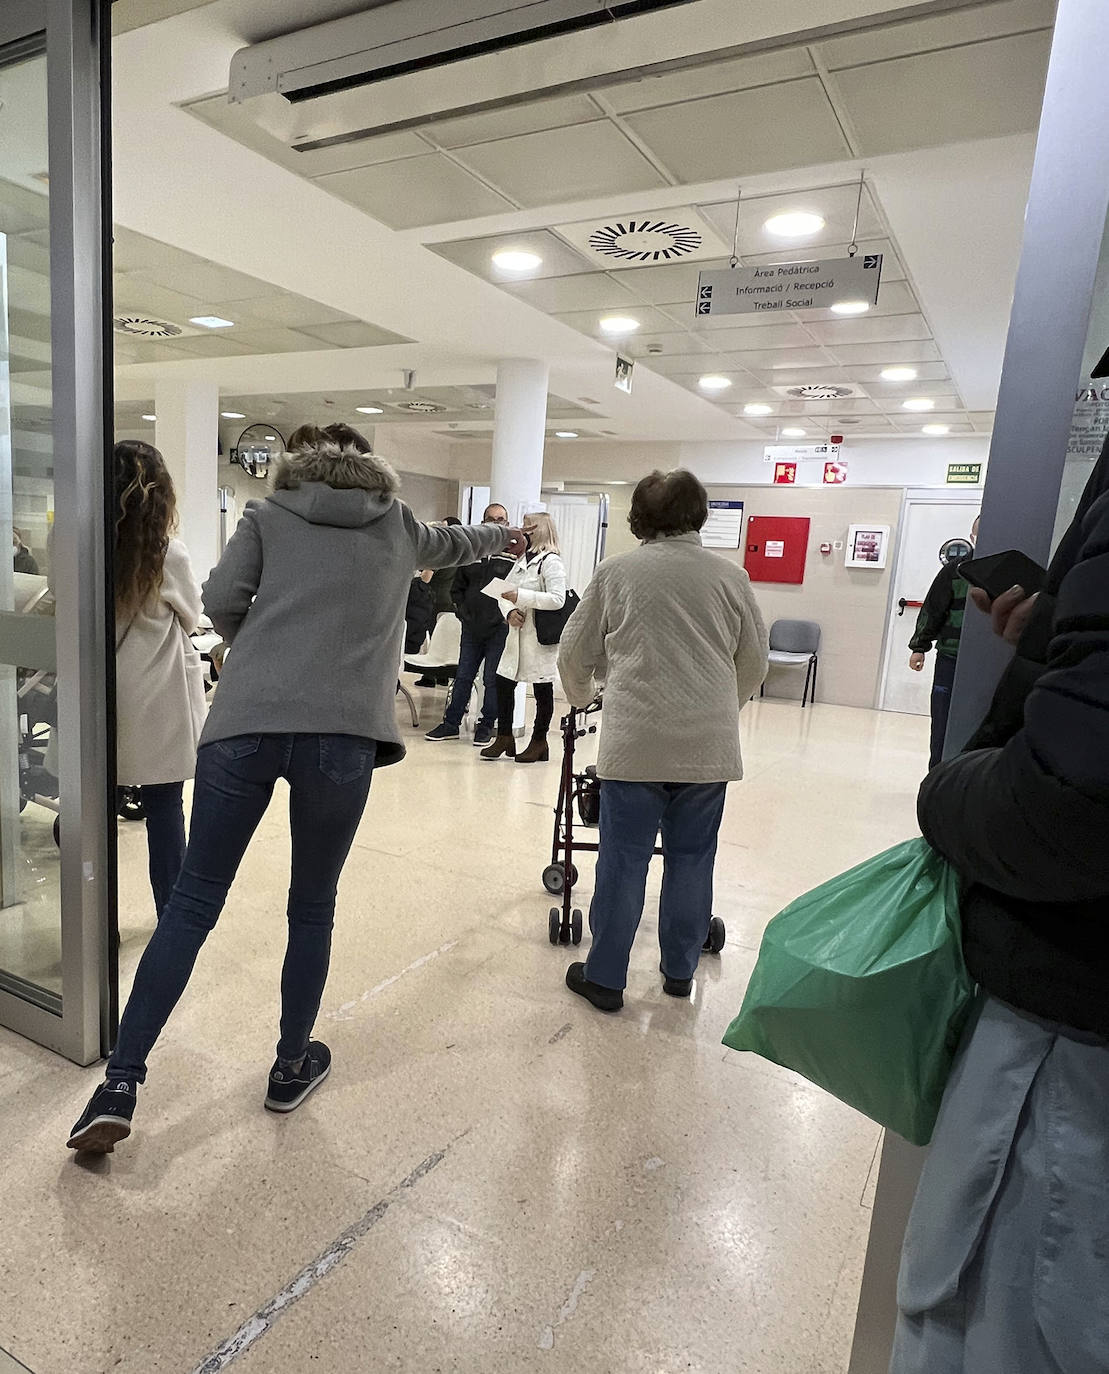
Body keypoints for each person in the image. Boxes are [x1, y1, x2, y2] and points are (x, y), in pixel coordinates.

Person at [67, 424, 522, 1154]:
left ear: (299, 470)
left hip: (244, 724)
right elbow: (459, 543)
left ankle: (119, 1084)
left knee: (190, 906)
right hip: (341, 739)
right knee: (311, 906)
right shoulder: (399, 524)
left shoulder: (267, 515)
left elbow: (219, 600)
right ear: (373, 478)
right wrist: (512, 542)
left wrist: (261, 649)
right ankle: (288, 1065)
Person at [890, 442, 1109, 1372]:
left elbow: (1068, 803)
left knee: (998, 1327)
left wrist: (943, 795)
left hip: (1072, 1034)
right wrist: (1060, 635)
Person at [557, 470, 769, 1011]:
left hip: (635, 744)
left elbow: (573, 652)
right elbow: (754, 662)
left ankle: (605, 978)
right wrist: (722, 707)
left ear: (639, 519)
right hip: (707, 749)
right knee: (693, 858)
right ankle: (678, 971)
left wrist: (582, 699)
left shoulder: (617, 572)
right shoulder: (731, 577)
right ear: (700, 514)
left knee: (623, 860)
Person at [112, 441, 206, 920]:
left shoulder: (86, 548)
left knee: (91, 806)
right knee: (165, 809)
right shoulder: (168, 554)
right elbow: (191, 617)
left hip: (100, 694)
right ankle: (172, 913)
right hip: (155, 697)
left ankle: (91, 914)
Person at [479, 511, 567, 765]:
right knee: (503, 682)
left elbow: (558, 599)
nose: (524, 529)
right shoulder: (522, 560)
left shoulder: (551, 562)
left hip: (538, 639)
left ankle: (540, 741)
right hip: (516, 634)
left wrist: (522, 598)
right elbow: (503, 591)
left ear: (540, 529)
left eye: (530, 525)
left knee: (542, 689)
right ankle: (505, 736)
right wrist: (509, 612)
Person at [425, 502, 513, 747]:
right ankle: (451, 724)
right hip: (472, 627)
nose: (495, 522)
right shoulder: (472, 553)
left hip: (499, 627)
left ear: (506, 523)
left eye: (500, 519)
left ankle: (486, 726)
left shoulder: (513, 556)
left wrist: (503, 615)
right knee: (463, 676)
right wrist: (464, 613)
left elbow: (516, 589)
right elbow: (457, 589)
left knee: (491, 679)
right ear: (483, 522)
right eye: (490, 518)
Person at [908, 516, 979, 768]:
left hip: (984, 663)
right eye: (977, 533)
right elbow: (933, 609)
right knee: (941, 722)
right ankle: (936, 775)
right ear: (972, 537)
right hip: (950, 657)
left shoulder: (1005, 568)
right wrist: (919, 647)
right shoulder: (954, 571)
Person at [417, 517, 463, 686]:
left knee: (431, 640)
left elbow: (425, 578)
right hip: (452, 602)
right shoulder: (461, 553)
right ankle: (442, 676)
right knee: (445, 641)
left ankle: (428, 677)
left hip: (434, 601)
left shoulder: (440, 554)